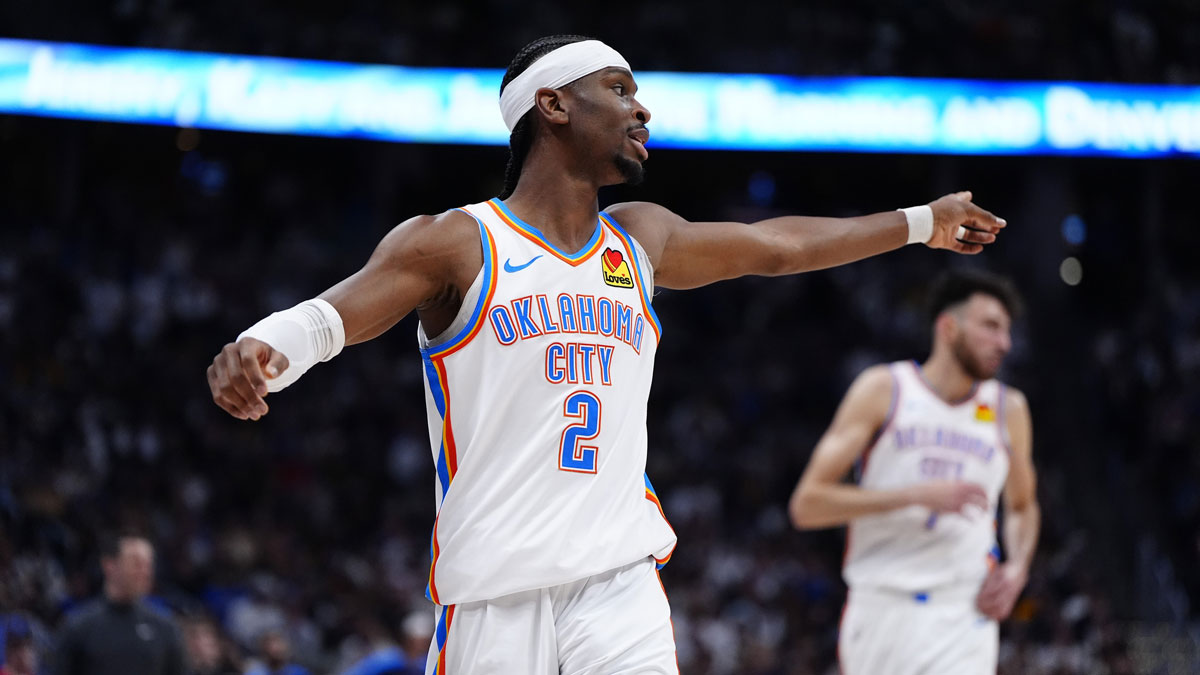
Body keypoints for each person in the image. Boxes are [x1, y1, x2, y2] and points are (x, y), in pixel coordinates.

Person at [206, 35, 1007, 674]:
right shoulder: (459, 240)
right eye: (619, 89)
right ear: (552, 105)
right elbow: (333, 315)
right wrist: (262, 349)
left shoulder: (640, 238)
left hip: (619, 582)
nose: (642, 108)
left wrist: (917, 220)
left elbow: (776, 246)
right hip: (495, 595)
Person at [788, 269, 1039, 675]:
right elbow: (808, 505)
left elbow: (1023, 506)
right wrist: (914, 496)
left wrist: (1018, 567)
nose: (1004, 344)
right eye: (991, 327)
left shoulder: (1010, 410)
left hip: (965, 612)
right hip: (883, 607)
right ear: (948, 327)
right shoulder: (884, 389)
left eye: (1007, 332)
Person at [53, 532, 186, 675]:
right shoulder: (78, 627)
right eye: (136, 563)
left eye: (148, 565)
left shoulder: (165, 627)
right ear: (109, 565)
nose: (145, 572)